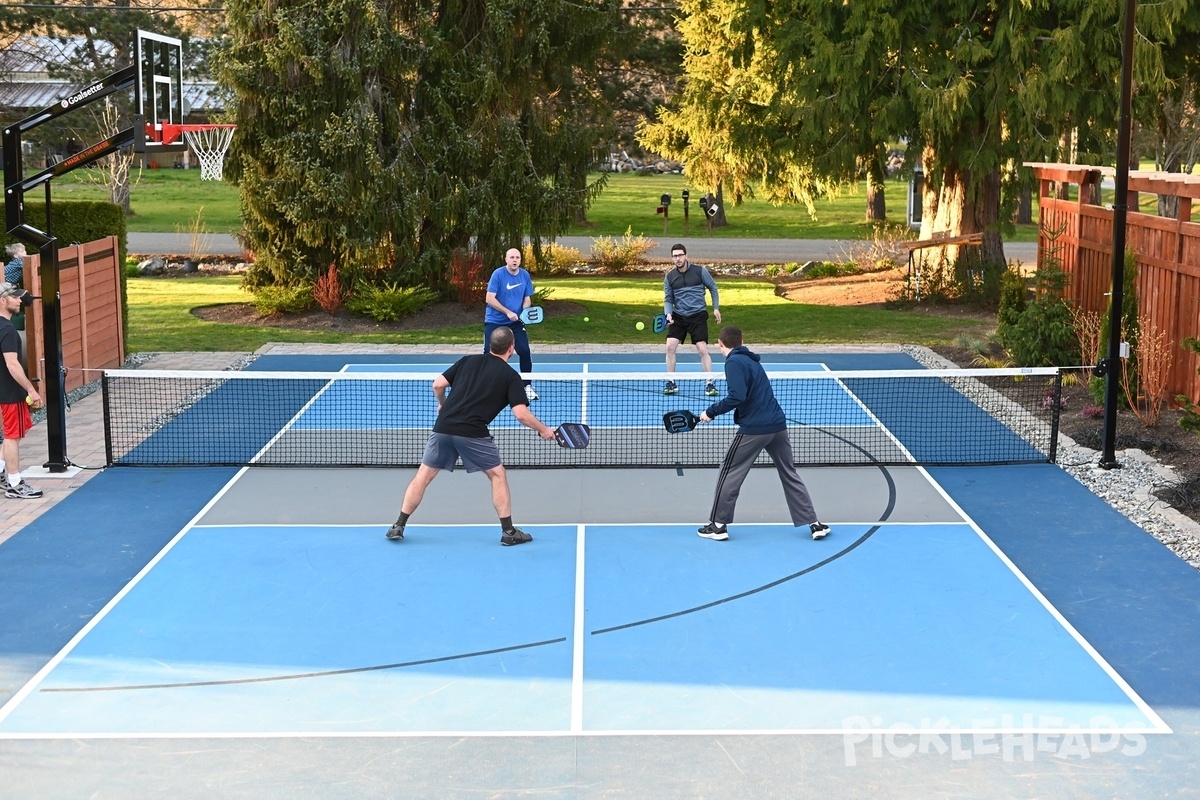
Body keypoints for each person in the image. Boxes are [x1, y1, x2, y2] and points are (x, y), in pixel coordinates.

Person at [386, 326, 555, 546]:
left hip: (443, 427)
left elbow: (437, 384)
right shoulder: (511, 377)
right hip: (473, 432)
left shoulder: (467, 361)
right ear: (511, 348)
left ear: (490, 345)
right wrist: (543, 429)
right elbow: (521, 414)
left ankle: (398, 525)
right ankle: (509, 532)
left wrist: (443, 404)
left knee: (423, 476)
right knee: (497, 475)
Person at [695, 325, 828, 542]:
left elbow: (737, 396)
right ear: (741, 341)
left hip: (755, 429)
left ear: (720, 343)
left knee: (729, 472)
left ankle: (718, 526)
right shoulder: (752, 360)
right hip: (778, 425)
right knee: (789, 473)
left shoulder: (734, 362)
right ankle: (815, 524)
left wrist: (710, 412)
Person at [0, 282, 43, 499]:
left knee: (9, 435)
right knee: (12, 436)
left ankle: (0, 473)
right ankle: (14, 483)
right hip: (9, 392)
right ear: (2, 301)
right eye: (15, 297)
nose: (19, 301)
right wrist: (31, 390)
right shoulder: (7, 330)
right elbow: (12, 364)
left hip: (3, 392)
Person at [662, 243, 721, 397]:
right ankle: (671, 381)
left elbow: (713, 288)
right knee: (670, 346)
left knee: (702, 349)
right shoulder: (670, 276)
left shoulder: (700, 271)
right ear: (672, 258)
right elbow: (668, 299)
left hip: (698, 315)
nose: (678, 258)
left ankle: (709, 383)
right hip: (679, 316)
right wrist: (668, 313)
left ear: (686, 256)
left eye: (680, 255)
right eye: (675, 256)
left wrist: (715, 308)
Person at [484, 247, 538, 401]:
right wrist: (507, 312)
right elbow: (489, 299)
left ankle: (526, 386)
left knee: (524, 351)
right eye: (512, 257)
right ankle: (486, 385)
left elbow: (527, 298)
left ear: (520, 260)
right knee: (489, 353)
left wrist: (525, 311)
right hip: (495, 321)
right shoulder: (498, 274)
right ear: (506, 259)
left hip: (516, 322)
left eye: (518, 257)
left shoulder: (524, 275)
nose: (515, 260)